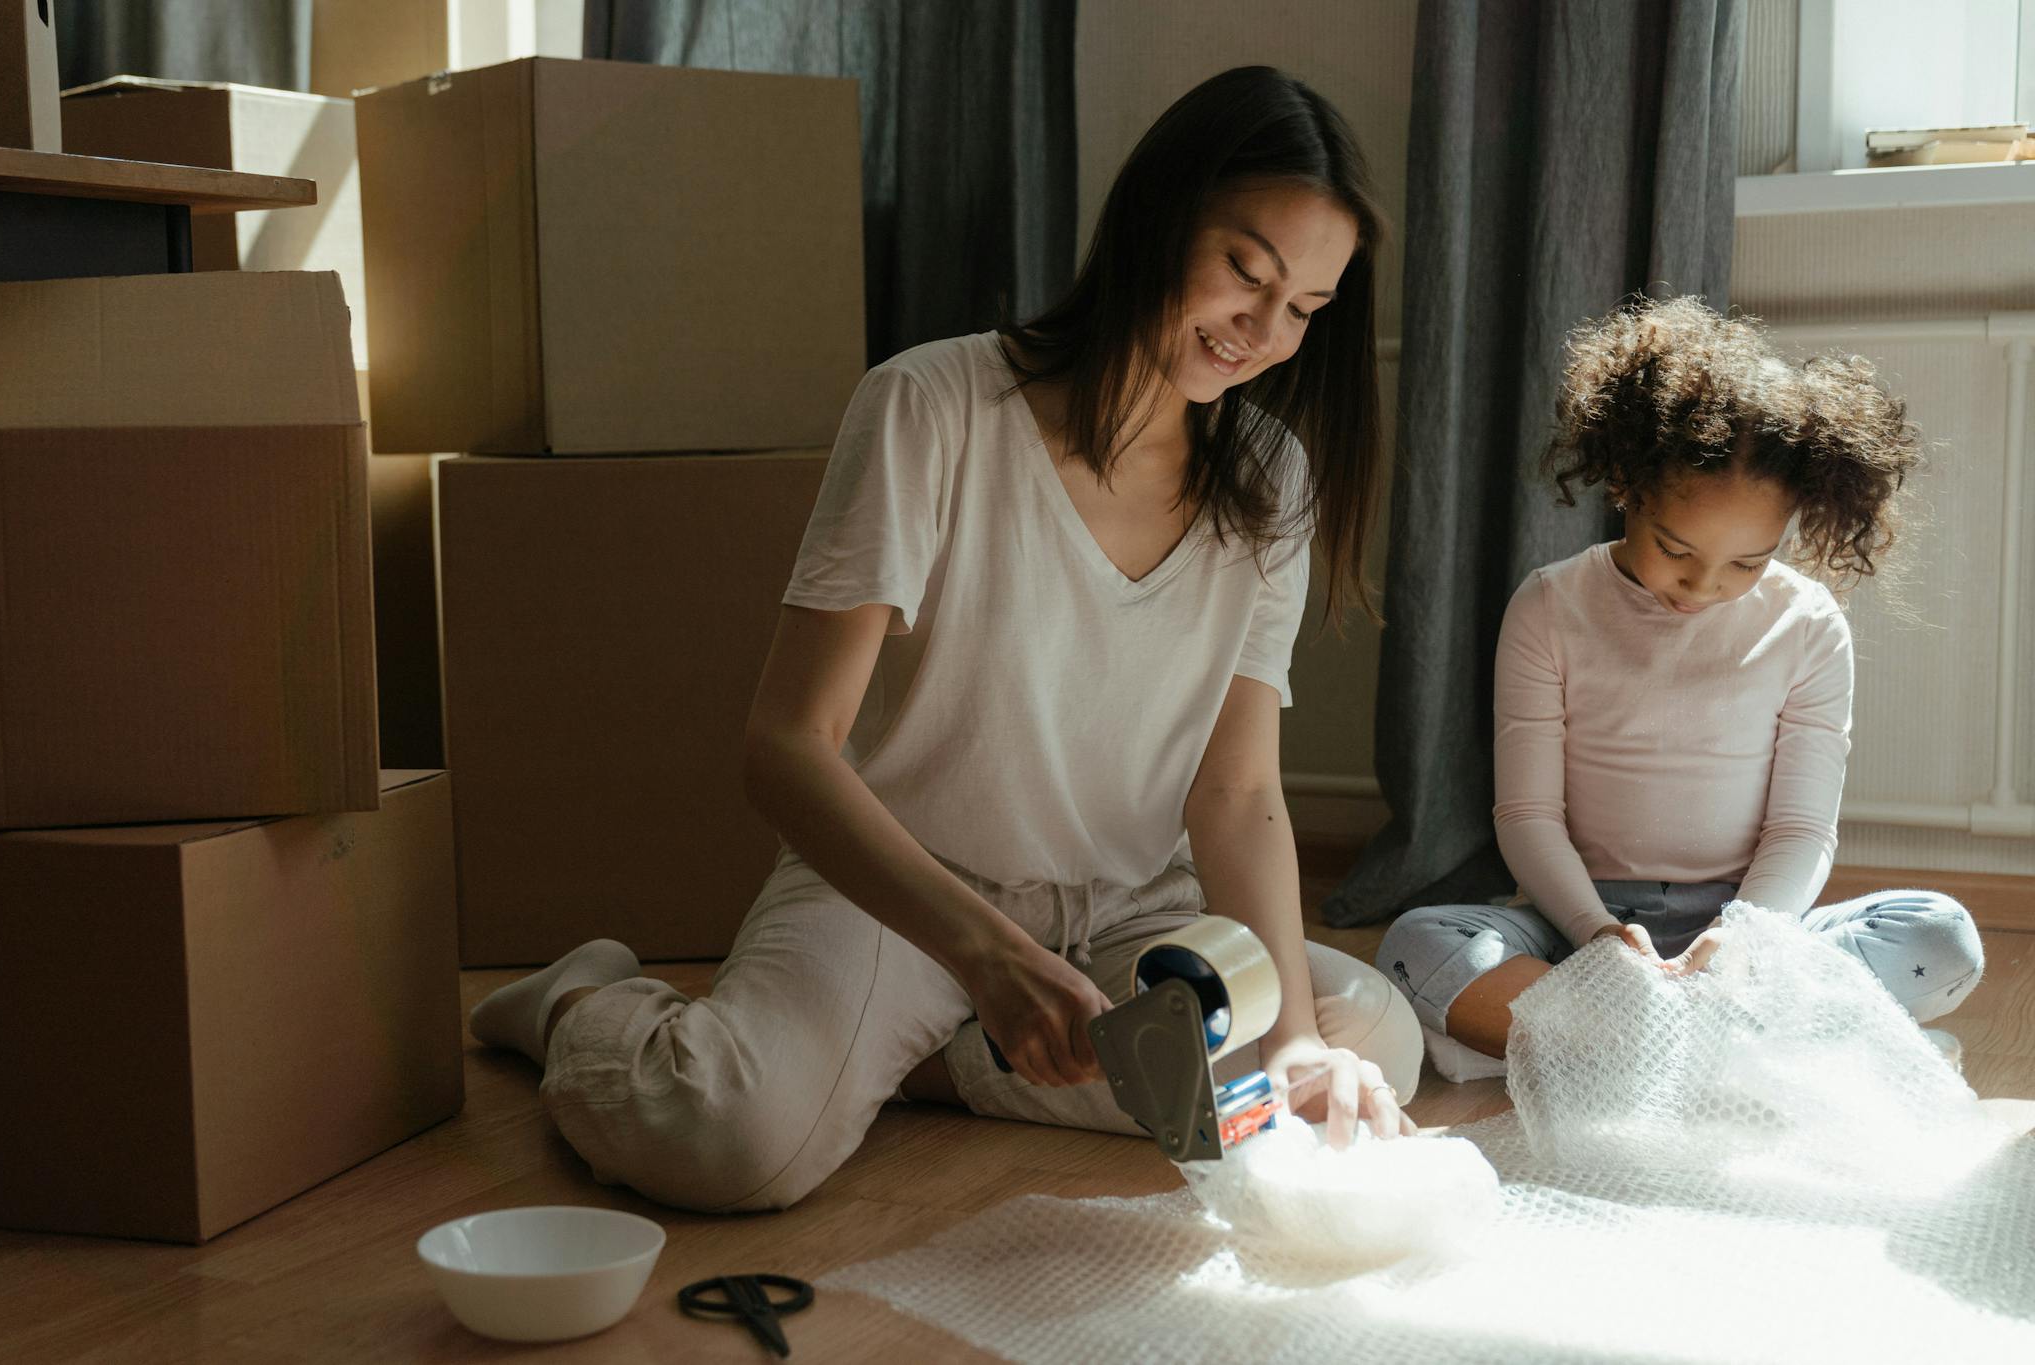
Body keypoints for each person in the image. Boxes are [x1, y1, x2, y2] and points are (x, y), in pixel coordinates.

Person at [469, 66, 1425, 1213]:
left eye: (1304, 311)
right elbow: (785, 745)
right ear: (1158, 216)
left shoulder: (1270, 477)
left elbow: (1236, 797)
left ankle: (934, 1062)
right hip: (903, 896)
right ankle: (585, 1002)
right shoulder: (930, 406)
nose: (1263, 334)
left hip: (1133, 914)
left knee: (1362, 1037)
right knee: (726, 1139)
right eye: (1244, 273)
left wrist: (1295, 1047)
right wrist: (987, 955)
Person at [1380, 295, 1984, 1083]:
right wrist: (1596, 933)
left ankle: (1619, 1050)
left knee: (1941, 938)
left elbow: (1802, 828)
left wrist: (1740, 938)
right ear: (1628, 486)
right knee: (1418, 943)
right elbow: (1526, 814)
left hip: (1749, 930)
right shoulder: (1549, 606)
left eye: (1747, 563)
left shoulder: (1808, 624)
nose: (1702, 586)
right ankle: (1744, 1052)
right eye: (1675, 548)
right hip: (1582, 929)